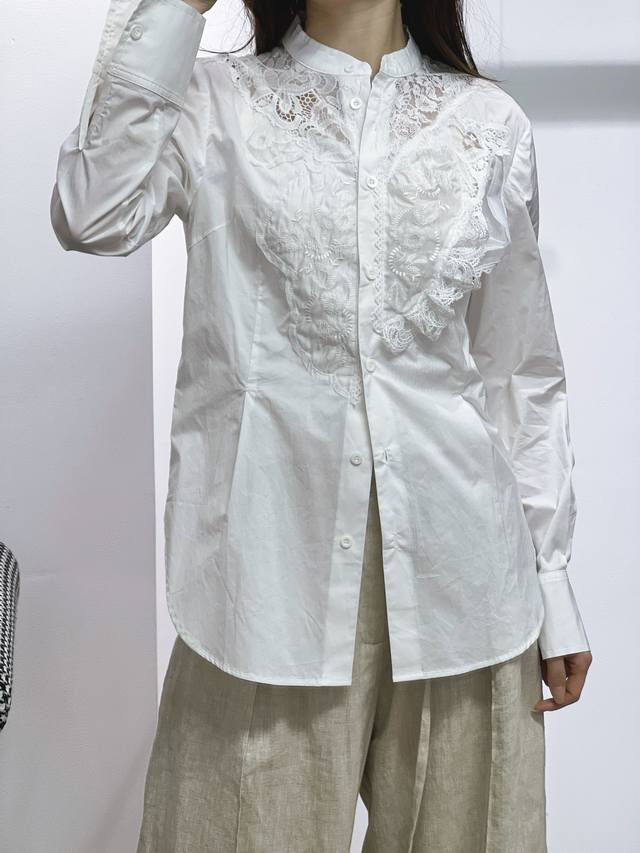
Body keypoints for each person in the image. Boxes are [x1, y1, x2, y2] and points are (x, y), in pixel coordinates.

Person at [50, 0, 593, 849]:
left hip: (470, 592)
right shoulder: (214, 103)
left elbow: (518, 370)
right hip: (264, 596)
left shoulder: (489, 124)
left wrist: (552, 586)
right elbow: (91, 211)